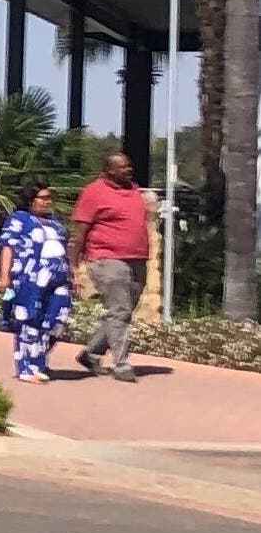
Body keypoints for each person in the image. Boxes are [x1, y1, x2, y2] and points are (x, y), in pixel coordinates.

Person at [70, 150, 151, 382]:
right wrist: (73, 264)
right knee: (120, 311)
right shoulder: (94, 192)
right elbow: (80, 232)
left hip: (136, 259)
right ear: (109, 171)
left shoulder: (134, 190)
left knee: (123, 311)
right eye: (123, 167)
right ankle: (122, 364)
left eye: (129, 165)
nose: (129, 169)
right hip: (106, 258)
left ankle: (91, 353)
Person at [0, 181, 73, 383]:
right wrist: (5, 276)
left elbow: (65, 250)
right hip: (29, 278)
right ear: (31, 200)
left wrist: (74, 274)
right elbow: (7, 247)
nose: (48, 202)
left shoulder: (56, 223)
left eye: (50, 198)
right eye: (44, 198)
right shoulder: (19, 220)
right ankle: (27, 367)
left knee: (57, 320)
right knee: (29, 320)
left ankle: (38, 360)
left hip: (59, 278)